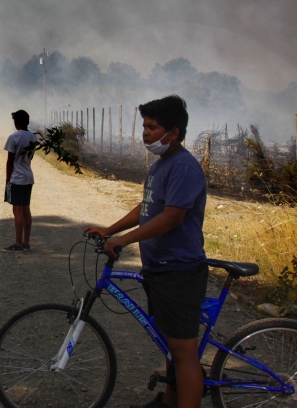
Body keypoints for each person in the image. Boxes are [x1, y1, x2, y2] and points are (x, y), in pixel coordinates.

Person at [83, 96, 207, 408]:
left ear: (173, 133)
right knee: (169, 346)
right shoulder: (161, 166)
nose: (145, 133)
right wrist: (111, 230)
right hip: (161, 268)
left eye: (153, 127)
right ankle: (170, 401)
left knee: (183, 352)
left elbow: (171, 217)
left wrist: (124, 241)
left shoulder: (184, 167)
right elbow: (148, 208)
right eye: (144, 126)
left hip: (178, 270)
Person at [3, 109, 38, 252]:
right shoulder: (33, 137)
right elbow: (31, 157)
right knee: (26, 210)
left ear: (16, 123)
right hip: (28, 176)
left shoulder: (14, 137)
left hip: (17, 178)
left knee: (17, 211)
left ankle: (17, 244)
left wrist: (7, 179)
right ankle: (26, 242)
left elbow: (10, 161)